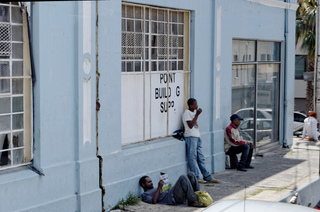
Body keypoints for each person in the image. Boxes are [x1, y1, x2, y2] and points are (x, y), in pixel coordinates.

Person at [182, 98, 219, 183]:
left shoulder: (193, 113)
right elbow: (190, 125)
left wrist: (196, 114)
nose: (197, 105)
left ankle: (207, 176)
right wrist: (197, 115)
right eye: (195, 104)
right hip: (190, 137)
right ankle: (196, 177)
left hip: (197, 136)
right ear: (191, 105)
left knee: (201, 158)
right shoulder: (187, 113)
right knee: (192, 158)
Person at [139, 172, 204, 207]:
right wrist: (159, 187)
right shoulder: (145, 194)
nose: (151, 183)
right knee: (183, 177)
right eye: (149, 182)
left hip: (172, 192)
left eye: (151, 181)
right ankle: (194, 201)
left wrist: (164, 186)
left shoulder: (155, 189)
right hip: (173, 198)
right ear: (143, 185)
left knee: (191, 174)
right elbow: (153, 202)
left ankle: (199, 197)